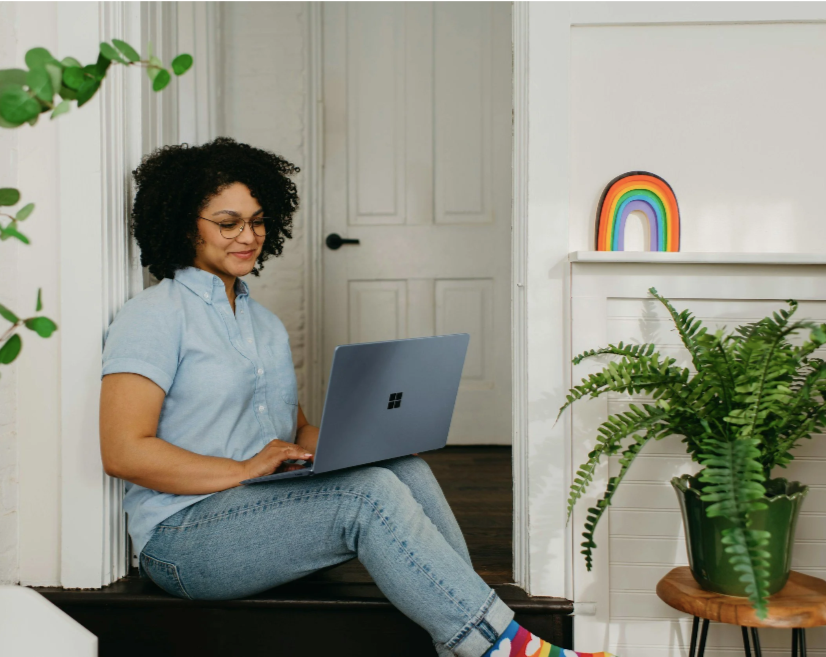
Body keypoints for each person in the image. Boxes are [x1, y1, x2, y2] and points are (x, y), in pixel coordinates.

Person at [99, 137, 609, 657]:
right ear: (186, 225)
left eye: (257, 221)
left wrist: (372, 442)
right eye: (228, 223)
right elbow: (123, 450)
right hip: (185, 538)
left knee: (404, 472)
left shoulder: (265, 325)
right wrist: (243, 470)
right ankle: (502, 647)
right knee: (369, 494)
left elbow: (293, 432)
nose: (248, 236)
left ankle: (479, 635)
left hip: (257, 506)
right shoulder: (154, 316)